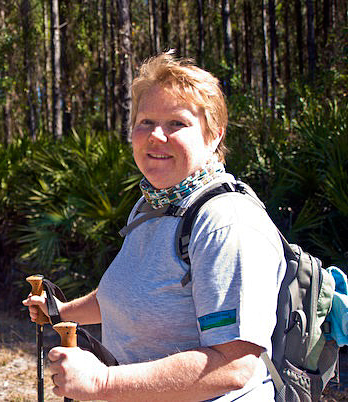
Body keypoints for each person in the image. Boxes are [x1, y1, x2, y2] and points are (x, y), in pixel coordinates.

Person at [22, 51, 286, 401]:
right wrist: (60, 313)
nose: (156, 136)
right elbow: (131, 293)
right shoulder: (152, 205)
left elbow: (234, 366)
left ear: (214, 136)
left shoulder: (226, 223)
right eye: (145, 122)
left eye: (177, 123)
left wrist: (102, 384)